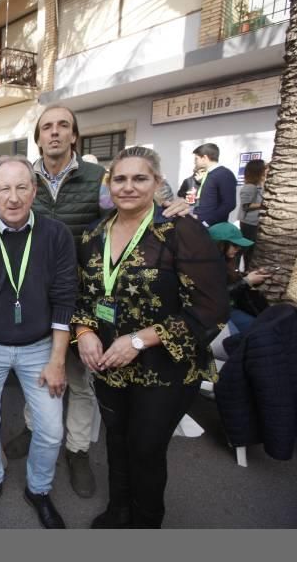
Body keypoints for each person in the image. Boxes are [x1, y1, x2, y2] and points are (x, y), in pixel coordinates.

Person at [73, 146, 228, 528]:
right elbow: (82, 295)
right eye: (120, 179)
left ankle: (144, 526)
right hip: (110, 365)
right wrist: (85, 330)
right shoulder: (94, 234)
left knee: (145, 448)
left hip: (166, 370)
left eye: (139, 178)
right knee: (117, 441)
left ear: (157, 183)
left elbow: (212, 310)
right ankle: (118, 511)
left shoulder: (181, 230)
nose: (128, 187)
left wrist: (141, 340)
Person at [0, 155, 76, 528]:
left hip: (40, 346)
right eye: (4, 188)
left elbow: (64, 300)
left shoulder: (57, 234)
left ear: (34, 190)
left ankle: (38, 489)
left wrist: (58, 361)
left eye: (21, 187)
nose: (13, 197)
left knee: (52, 428)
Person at [2, 105, 108, 498]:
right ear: (39, 138)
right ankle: (35, 429)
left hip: (84, 297)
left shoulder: (99, 178)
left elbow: (132, 212)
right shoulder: (23, 178)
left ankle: (77, 449)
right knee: (39, 374)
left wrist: (172, 207)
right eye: (47, 127)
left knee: (80, 380)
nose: (55, 133)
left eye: (64, 126)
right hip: (34, 298)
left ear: (74, 135)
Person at [209, 222, 270, 334]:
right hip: (216, 313)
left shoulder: (226, 259)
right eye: (235, 245)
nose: (238, 249)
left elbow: (232, 282)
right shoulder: (206, 266)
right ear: (221, 244)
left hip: (230, 308)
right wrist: (246, 281)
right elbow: (215, 296)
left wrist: (252, 277)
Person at [193, 143, 237, 226]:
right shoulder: (209, 174)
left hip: (212, 227)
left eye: (196, 159)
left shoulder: (224, 174)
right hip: (201, 223)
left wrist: (207, 222)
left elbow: (229, 204)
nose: (194, 162)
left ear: (204, 158)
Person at [238, 159, 266, 255]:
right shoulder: (250, 187)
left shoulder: (259, 186)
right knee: (246, 249)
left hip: (254, 223)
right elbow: (246, 205)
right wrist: (264, 205)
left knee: (250, 250)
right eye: (264, 169)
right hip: (249, 223)